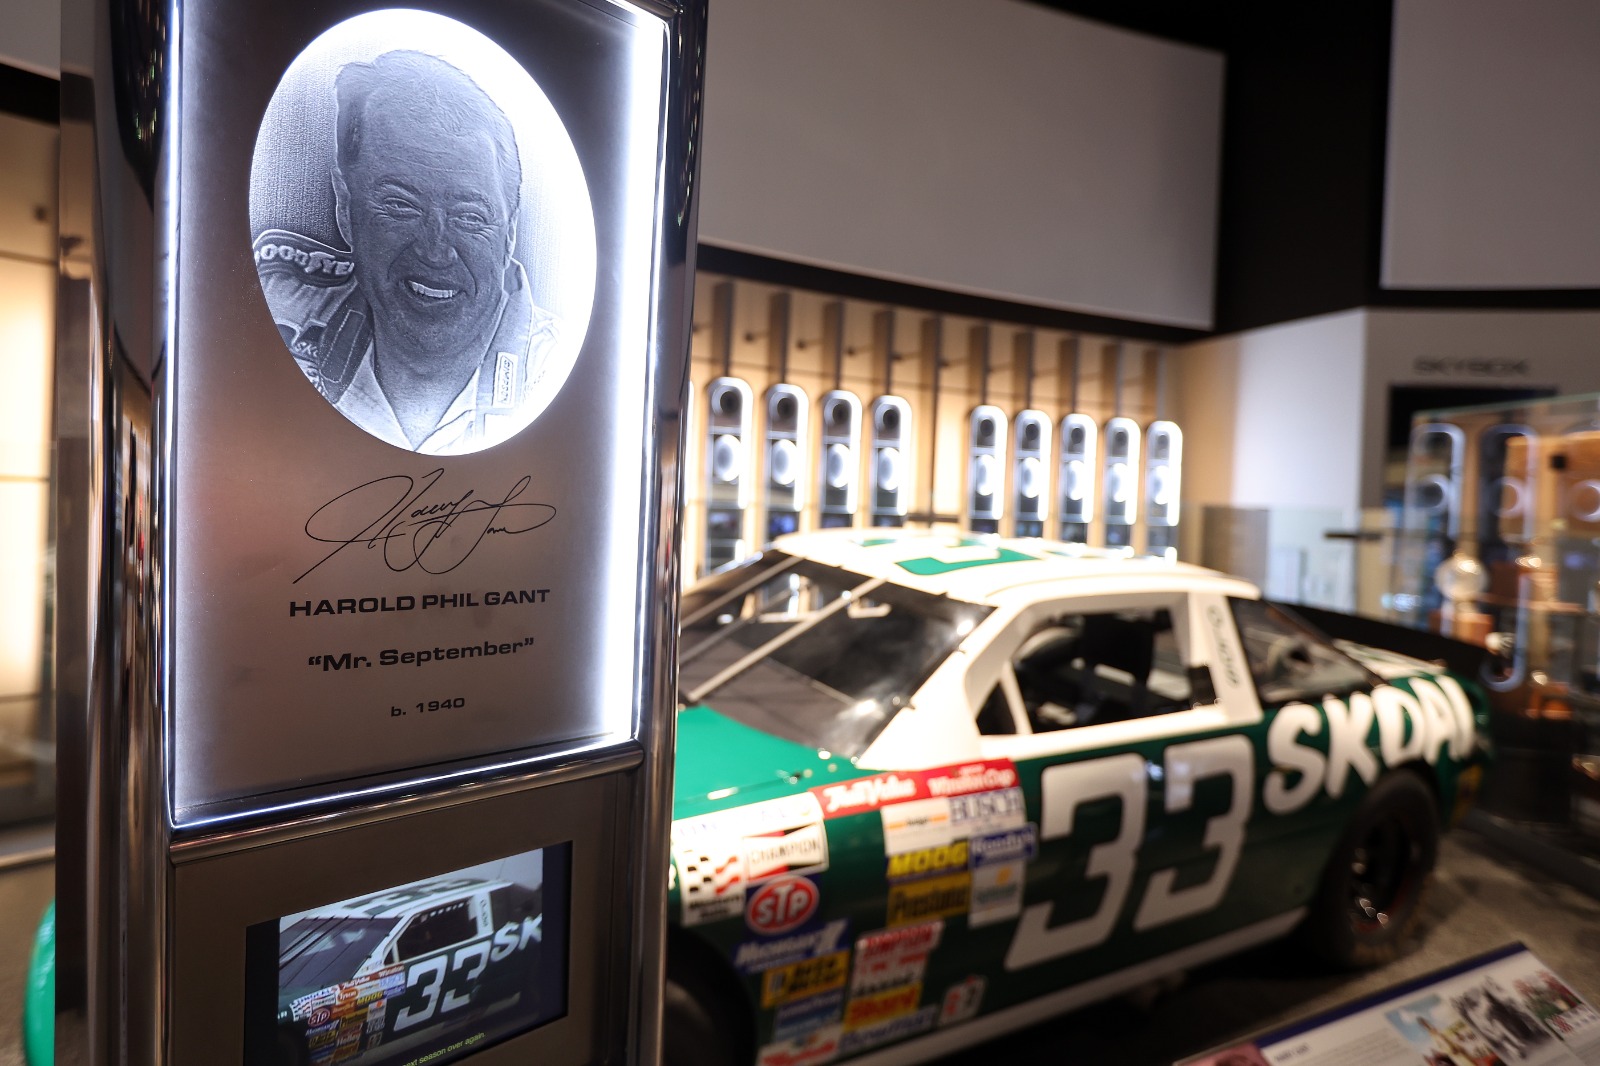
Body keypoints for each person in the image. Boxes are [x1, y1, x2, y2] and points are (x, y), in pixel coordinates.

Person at [255, 49, 561, 454]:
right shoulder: (273, 311)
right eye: (401, 206)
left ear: (510, 232)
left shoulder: (560, 373)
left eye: (469, 216)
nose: (436, 252)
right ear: (345, 209)